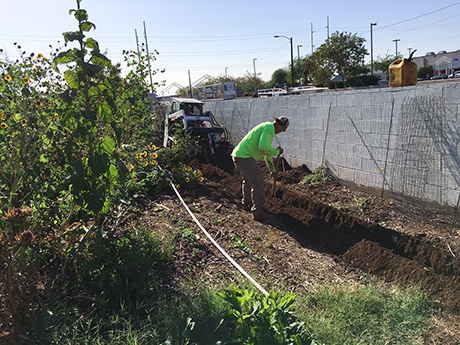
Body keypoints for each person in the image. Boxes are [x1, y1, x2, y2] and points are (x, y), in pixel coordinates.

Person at [231, 116, 289, 221]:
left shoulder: (267, 129)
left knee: (248, 181)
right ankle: (258, 212)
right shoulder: (269, 128)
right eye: (284, 129)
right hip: (244, 156)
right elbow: (263, 147)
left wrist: (272, 170)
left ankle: (246, 204)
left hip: (238, 155)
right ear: (281, 126)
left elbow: (267, 154)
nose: (282, 131)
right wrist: (276, 152)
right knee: (258, 182)